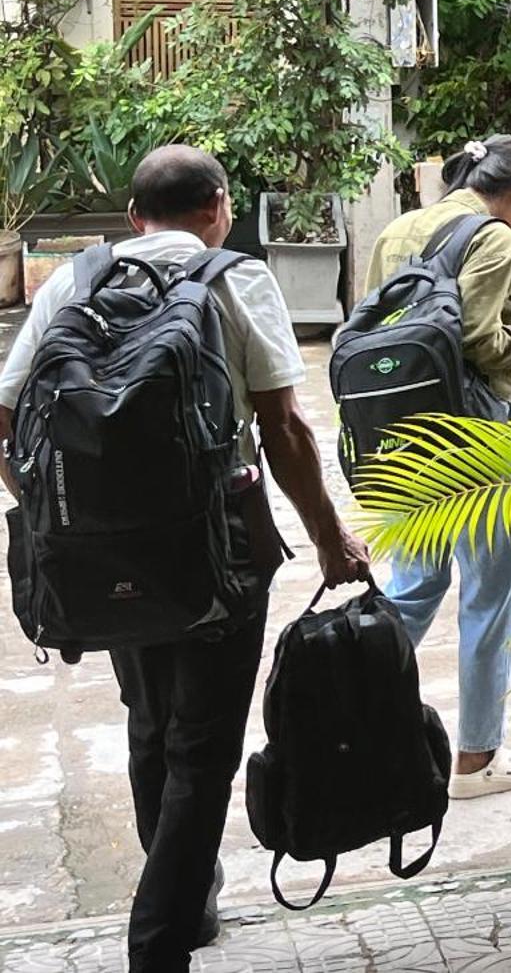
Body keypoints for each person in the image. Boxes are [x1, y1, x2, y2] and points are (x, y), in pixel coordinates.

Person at [0, 145, 369, 973]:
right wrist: (326, 540)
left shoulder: (77, 281)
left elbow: (6, 414)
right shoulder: (238, 280)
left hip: (101, 559)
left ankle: (187, 907)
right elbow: (285, 429)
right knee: (202, 753)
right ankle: (160, 942)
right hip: (217, 552)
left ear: (134, 218)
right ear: (219, 208)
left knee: (152, 728)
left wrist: (60, 518)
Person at [359, 135, 511, 799]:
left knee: (414, 582)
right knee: (489, 592)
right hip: (471, 439)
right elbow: (480, 340)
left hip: (396, 431)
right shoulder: (495, 237)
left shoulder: (398, 229)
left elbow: (365, 323)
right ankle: (477, 758)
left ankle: (344, 714)